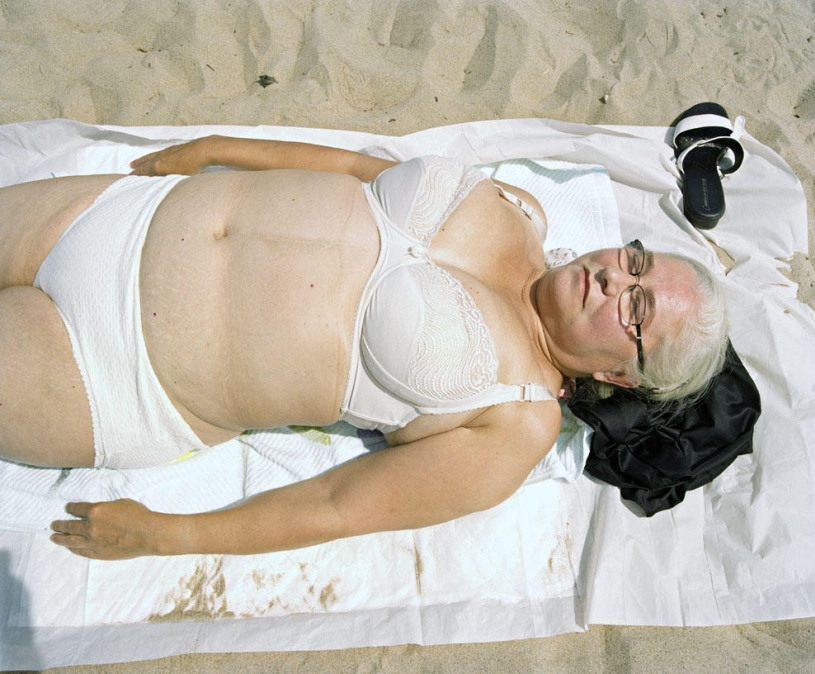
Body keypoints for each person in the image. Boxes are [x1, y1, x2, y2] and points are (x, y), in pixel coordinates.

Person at [0, 135, 728, 560]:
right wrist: (215, 149)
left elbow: (337, 504)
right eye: (633, 262)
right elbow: (357, 169)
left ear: (617, 375)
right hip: (117, 216)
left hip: (113, 369)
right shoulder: (517, 210)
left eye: (632, 309)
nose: (608, 277)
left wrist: (167, 536)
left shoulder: (516, 422)